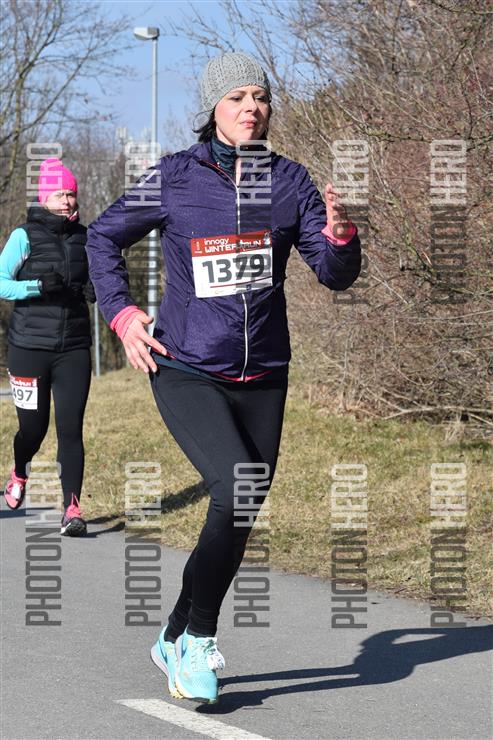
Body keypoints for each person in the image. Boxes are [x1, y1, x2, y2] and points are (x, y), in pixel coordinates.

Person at [86, 51, 361, 703]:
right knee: (237, 487)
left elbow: (333, 274)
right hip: (187, 366)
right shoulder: (174, 177)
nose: (251, 107)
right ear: (213, 107)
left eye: (260, 96)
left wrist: (342, 237)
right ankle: (197, 643)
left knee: (240, 508)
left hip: (264, 373)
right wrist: (121, 314)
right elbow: (101, 237)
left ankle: (172, 634)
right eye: (237, 96)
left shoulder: (290, 182)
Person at [0, 158, 95, 536]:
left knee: (70, 428)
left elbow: (102, 273)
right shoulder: (23, 236)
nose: (66, 201)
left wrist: (98, 288)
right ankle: (19, 471)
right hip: (29, 347)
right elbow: (1, 282)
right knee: (33, 430)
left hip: (74, 347)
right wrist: (36, 286)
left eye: (70, 194)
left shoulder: (86, 236)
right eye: (59, 194)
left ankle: (72, 509)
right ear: (44, 198)